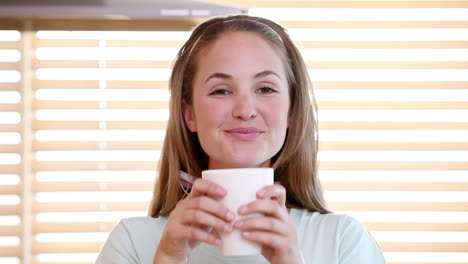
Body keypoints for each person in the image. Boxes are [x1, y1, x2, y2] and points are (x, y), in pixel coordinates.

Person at [96, 15, 386, 264]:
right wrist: (169, 258)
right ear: (189, 115)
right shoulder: (132, 242)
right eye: (221, 90)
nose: (245, 111)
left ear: (292, 111)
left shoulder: (342, 239)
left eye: (265, 89)